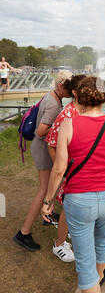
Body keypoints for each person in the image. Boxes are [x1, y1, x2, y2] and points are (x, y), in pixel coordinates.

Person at [41, 76, 105, 293]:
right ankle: (98, 279)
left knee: (84, 259)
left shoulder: (69, 125)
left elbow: (59, 168)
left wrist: (48, 200)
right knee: (103, 246)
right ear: (103, 97)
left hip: (80, 199)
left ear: (79, 96)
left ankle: (93, 287)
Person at [13, 70, 72, 251]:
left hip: (41, 148)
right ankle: (23, 233)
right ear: (60, 85)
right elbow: (41, 131)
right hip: (43, 149)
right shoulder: (54, 104)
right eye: (68, 87)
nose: (71, 92)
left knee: (47, 188)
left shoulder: (51, 96)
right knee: (44, 190)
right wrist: (62, 128)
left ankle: (48, 215)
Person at [45, 74, 86, 263]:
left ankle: (66, 236)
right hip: (72, 170)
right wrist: (63, 170)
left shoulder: (83, 111)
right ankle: (59, 244)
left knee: (75, 209)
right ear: (76, 93)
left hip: (80, 169)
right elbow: (51, 143)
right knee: (68, 209)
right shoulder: (67, 114)